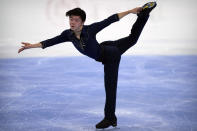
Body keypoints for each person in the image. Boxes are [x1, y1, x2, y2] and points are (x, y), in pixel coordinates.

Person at [18, 2, 157, 129]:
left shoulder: (90, 30)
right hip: (106, 47)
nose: (72, 22)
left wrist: (130, 11)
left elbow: (110, 19)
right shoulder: (68, 35)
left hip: (111, 56)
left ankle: (110, 118)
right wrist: (31, 46)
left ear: (82, 22)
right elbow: (50, 41)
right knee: (132, 39)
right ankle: (144, 14)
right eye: (71, 19)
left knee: (110, 86)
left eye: (76, 20)